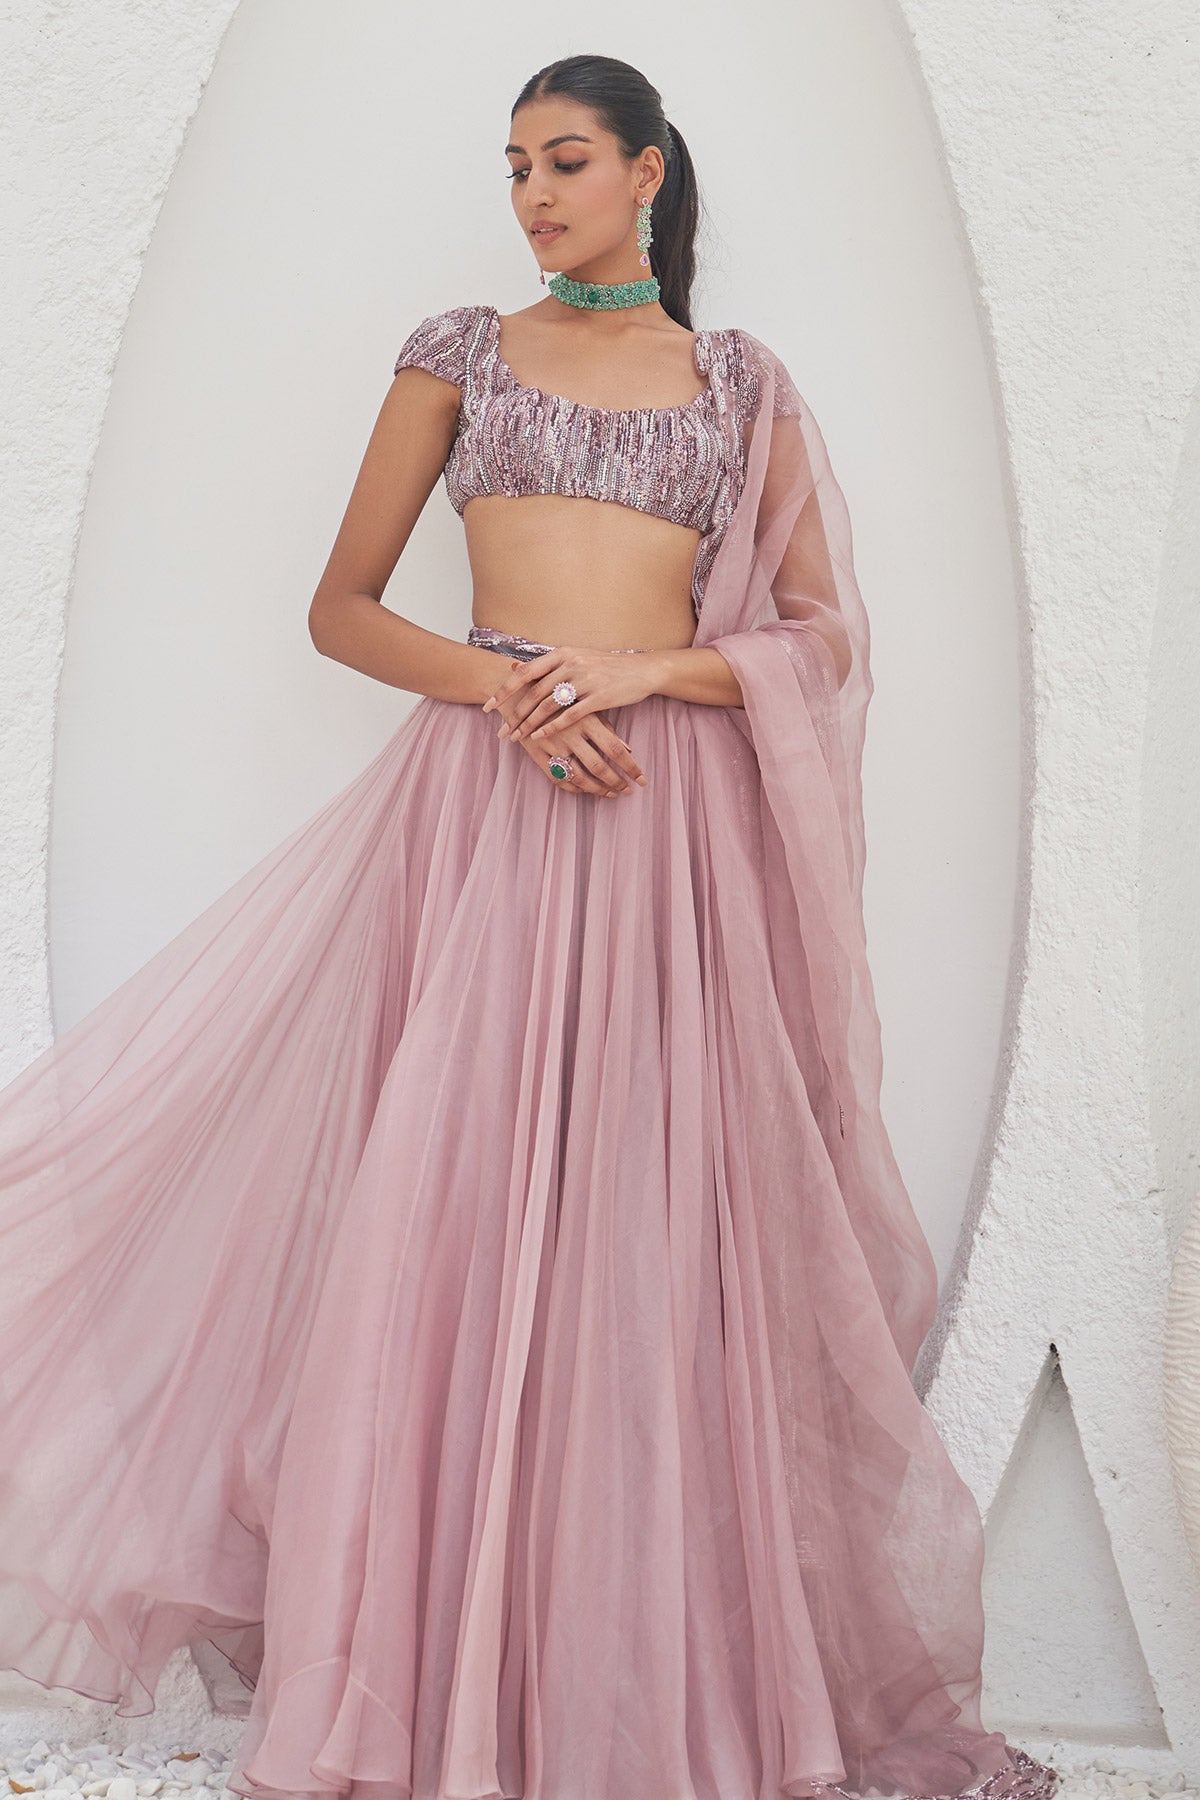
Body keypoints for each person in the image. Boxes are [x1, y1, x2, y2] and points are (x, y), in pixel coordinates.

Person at [0, 50, 1060, 1800]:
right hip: (488, 813)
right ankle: (439, 1676)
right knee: (456, 1206)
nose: (534, 194)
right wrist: (512, 694)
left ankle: (642, 1686)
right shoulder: (460, 353)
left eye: (566, 160)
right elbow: (342, 610)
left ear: (649, 171)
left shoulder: (741, 384)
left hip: (668, 834)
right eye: (514, 167)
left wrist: (643, 674)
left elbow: (820, 638)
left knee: (654, 1219)